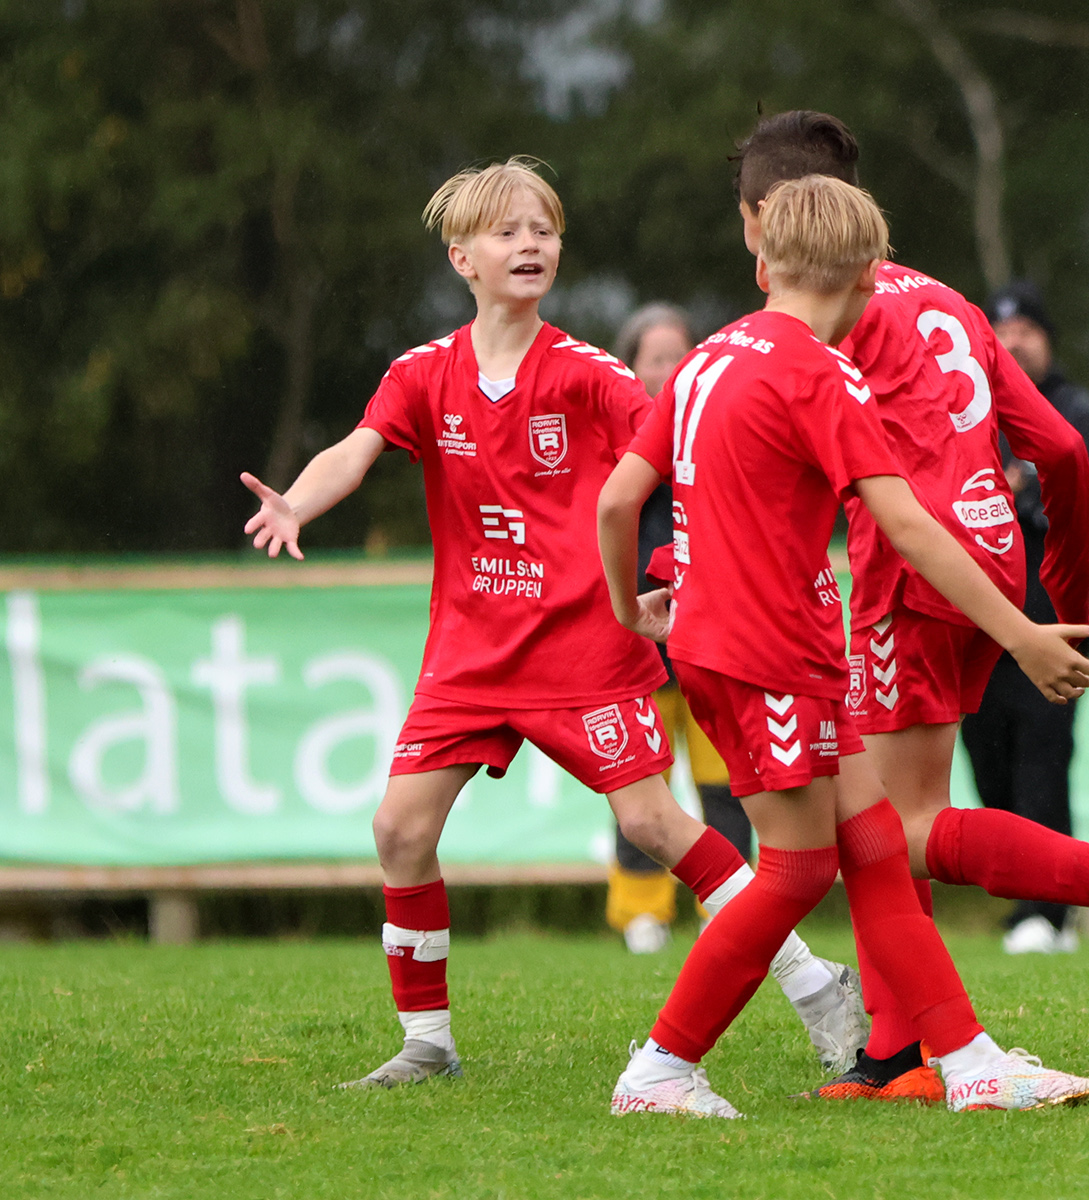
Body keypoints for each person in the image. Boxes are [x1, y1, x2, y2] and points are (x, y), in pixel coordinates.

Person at [237, 158, 863, 1088]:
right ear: (462, 258)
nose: (530, 244)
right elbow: (356, 450)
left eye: (543, 229)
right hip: (470, 655)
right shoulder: (422, 374)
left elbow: (685, 452)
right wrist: (295, 503)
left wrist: (696, 562)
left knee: (654, 823)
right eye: (507, 232)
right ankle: (428, 1045)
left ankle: (817, 987)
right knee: (399, 832)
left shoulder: (588, 374)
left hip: (585, 647)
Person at [597, 174, 1089, 1117]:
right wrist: (1023, 635)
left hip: (728, 647)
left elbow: (617, 499)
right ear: (866, 279)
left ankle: (970, 1063)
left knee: (876, 843)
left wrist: (632, 605)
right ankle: (663, 1067)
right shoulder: (819, 371)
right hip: (774, 654)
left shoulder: (708, 357)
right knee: (797, 869)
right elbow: (911, 529)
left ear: (764, 260)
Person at [725, 111, 1089, 1106]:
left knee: (889, 829)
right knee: (893, 814)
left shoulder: (822, 309)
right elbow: (1063, 451)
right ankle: (897, 1054)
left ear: (762, 222)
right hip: (993, 552)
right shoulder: (946, 298)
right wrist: (1056, 598)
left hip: (913, 566)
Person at [967, 279, 1089, 955]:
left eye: (1028, 328)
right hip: (976, 622)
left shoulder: (1081, 414)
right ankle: (1018, 903)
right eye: (1003, 330)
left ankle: (1050, 911)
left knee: (1042, 753)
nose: (1015, 340)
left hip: (1052, 616)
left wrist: (1022, 493)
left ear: (1047, 339)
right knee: (985, 758)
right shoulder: (968, 414)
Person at [604, 302, 761, 957]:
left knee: (724, 783)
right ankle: (641, 911)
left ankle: (727, 905)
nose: (668, 368)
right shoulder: (608, 440)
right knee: (642, 787)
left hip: (711, 633)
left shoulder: (720, 429)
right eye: (655, 357)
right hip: (634, 637)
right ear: (631, 366)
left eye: (678, 355)